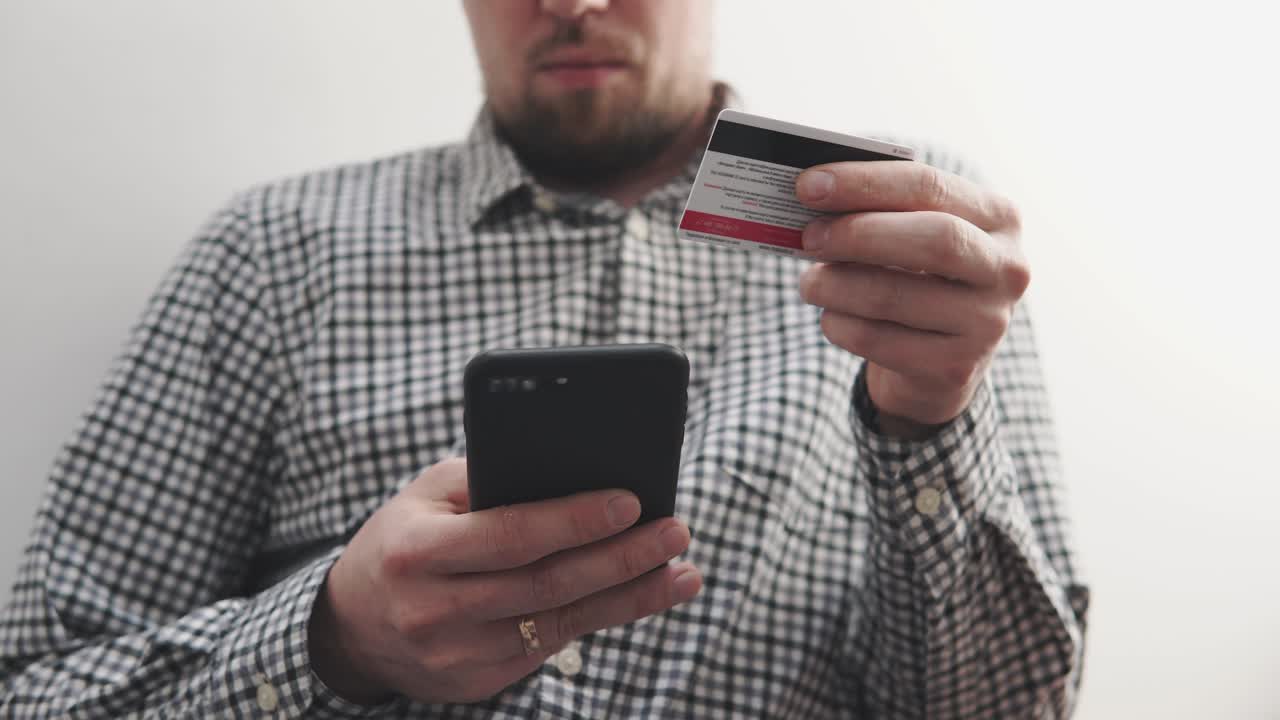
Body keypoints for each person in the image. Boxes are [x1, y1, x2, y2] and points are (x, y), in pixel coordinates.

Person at [0, 0, 1089, 717]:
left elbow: (1005, 708)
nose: (570, 0)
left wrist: (929, 419)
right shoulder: (276, 253)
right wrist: (332, 643)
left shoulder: (907, 241)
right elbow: (40, 690)